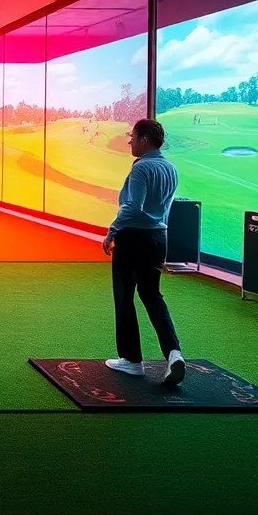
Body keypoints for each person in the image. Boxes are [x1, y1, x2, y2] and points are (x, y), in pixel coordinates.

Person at [102, 118, 185, 386]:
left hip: (133, 239)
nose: (130, 141)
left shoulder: (140, 170)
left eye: (133, 137)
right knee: (152, 296)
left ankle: (131, 360)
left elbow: (133, 207)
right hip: (158, 238)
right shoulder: (170, 168)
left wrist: (113, 229)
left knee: (124, 297)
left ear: (144, 139)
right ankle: (173, 354)